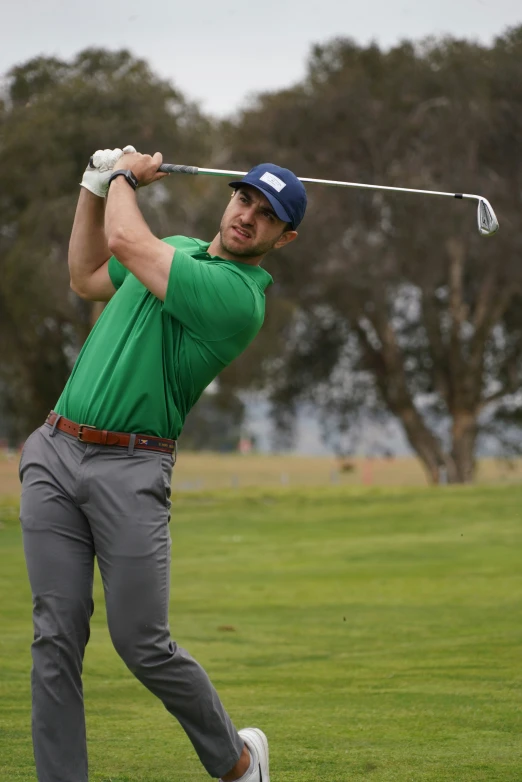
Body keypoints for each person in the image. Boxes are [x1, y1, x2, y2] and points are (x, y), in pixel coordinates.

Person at [19, 145, 307, 782]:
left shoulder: (236, 297)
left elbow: (125, 242)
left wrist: (121, 175)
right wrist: (92, 188)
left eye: (266, 216)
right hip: (55, 452)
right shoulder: (175, 246)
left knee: (141, 643)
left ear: (282, 239)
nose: (247, 217)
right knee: (54, 637)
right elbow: (87, 273)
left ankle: (236, 761)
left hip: (131, 470)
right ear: (230, 199)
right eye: (244, 200)